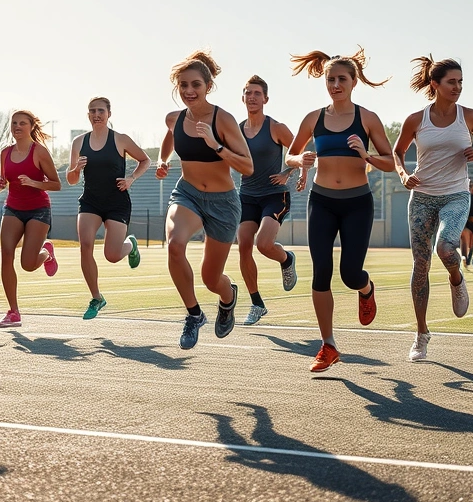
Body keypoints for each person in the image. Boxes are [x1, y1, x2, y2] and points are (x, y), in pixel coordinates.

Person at [287, 47, 395, 372]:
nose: (335, 85)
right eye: (330, 79)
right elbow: (290, 155)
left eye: (342, 79)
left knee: (350, 274)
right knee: (321, 271)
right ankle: (328, 345)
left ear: (353, 82)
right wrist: (301, 160)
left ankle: (366, 289)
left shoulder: (368, 119)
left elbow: (391, 162)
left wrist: (366, 155)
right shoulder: (313, 118)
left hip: (357, 203)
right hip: (321, 201)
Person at [393, 55, 473, 362]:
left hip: (456, 195)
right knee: (420, 265)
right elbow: (397, 152)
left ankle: (456, 278)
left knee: (446, 248)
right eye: (451, 82)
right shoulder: (416, 120)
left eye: (461, 82)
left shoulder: (470, 117)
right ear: (435, 84)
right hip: (421, 197)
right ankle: (421, 334)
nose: (458, 87)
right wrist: (403, 174)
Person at [155, 50, 252, 350]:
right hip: (189, 194)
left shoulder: (223, 120)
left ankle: (228, 297)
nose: (189, 91)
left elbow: (247, 166)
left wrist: (215, 144)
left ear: (208, 86)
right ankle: (194, 314)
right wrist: (162, 160)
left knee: (211, 278)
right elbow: (170, 135)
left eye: (195, 84)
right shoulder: (174, 119)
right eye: (183, 85)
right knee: (174, 245)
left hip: (223, 202)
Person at [66, 97, 151, 319]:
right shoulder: (79, 142)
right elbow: (71, 179)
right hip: (90, 201)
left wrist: (131, 178)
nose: (96, 115)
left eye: (101, 111)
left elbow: (145, 160)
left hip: (117, 201)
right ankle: (96, 297)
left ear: (109, 114)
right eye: (92, 111)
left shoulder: (120, 139)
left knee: (112, 255)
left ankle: (130, 245)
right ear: (88, 115)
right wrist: (76, 169)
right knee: (85, 245)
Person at [236, 75, 299, 326]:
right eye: (248, 93)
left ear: (266, 99)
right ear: (242, 98)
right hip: (246, 195)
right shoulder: (236, 130)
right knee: (243, 246)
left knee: (263, 244)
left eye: (257, 94)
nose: (252, 97)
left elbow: (299, 151)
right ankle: (257, 304)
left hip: (274, 195)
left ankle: (287, 259)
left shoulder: (276, 127)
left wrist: (288, 173)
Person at [0, 110, 62, 328]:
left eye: (22, 123)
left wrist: (34, 183)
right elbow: (4, 179)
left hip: (38, 209)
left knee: (28, 264)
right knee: (6, 255)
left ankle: (46, 252)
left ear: (31, 127)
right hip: (13, 207)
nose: (17, 126)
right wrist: (1, 182)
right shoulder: (5, 153)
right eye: (14, 123)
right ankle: (13, 312)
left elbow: (56, 184)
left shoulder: (39, 152)